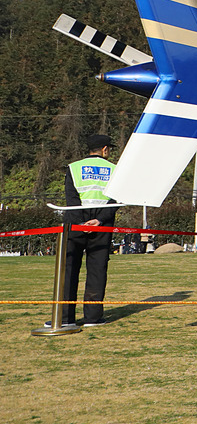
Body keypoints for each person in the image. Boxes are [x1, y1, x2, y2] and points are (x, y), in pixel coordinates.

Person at [60, 134, 118, 327]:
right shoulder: (116, 170)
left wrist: (80, 223)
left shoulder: (73, 167)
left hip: (75, 225)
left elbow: (71, 199)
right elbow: (116, 199)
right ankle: (92, 317)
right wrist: (99, 220)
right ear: (104, 149)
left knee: (69, 270)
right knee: (97, 271)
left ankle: (65, 318)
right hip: (102, 225)